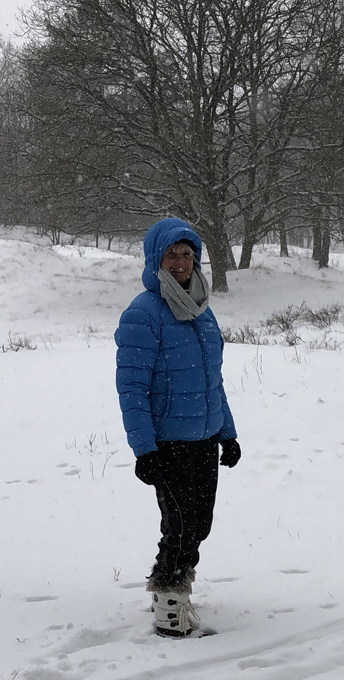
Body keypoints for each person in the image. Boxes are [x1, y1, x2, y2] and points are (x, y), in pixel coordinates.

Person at [115, 217, 241, 637]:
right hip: (168, 443)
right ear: (156, 259)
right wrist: (144, 449)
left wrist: (228, 433)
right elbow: (132, 389)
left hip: (205, 437)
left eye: (188, 254)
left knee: (199, 523)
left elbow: (213, 381)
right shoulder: (143, 314)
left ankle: (175, 587)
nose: (181, 262)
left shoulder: (202, 311)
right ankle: (169, 607)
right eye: (172, 254)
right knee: (180, 525)